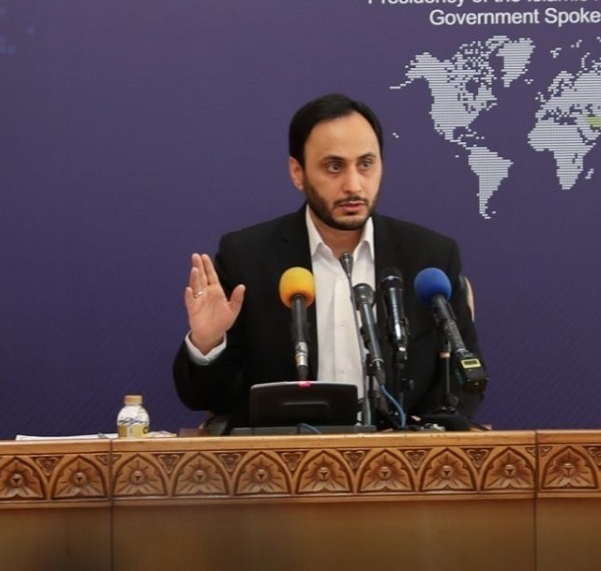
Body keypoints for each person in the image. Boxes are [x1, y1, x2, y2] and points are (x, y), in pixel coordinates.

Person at [172, 93, 485, 431]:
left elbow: (463, 380)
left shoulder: (430, 257)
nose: (353, 185)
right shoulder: (248, 258)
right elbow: (205, 398)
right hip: (284, 458)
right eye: (334, 167)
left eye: (366, 164)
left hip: (400, 458)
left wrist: (425, 434)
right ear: (298, 172)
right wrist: (208, 343)